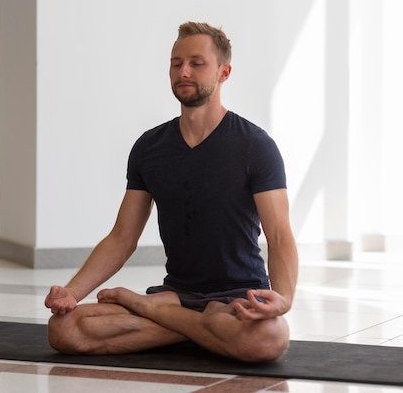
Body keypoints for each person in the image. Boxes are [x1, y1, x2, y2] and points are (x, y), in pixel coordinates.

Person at [44, 21, 298, 363]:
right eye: (176, 63)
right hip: (177, 295)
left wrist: (283, 298)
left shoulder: (255, 146)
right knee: (64, 329)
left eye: (197, 63)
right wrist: (72, 292)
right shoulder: (150, 147)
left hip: (238, 297)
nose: (184, 71)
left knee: (269, 338)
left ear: (224, 72)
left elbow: (279, 236)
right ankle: (203, 331)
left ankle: (153, 313)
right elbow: (122, 238)